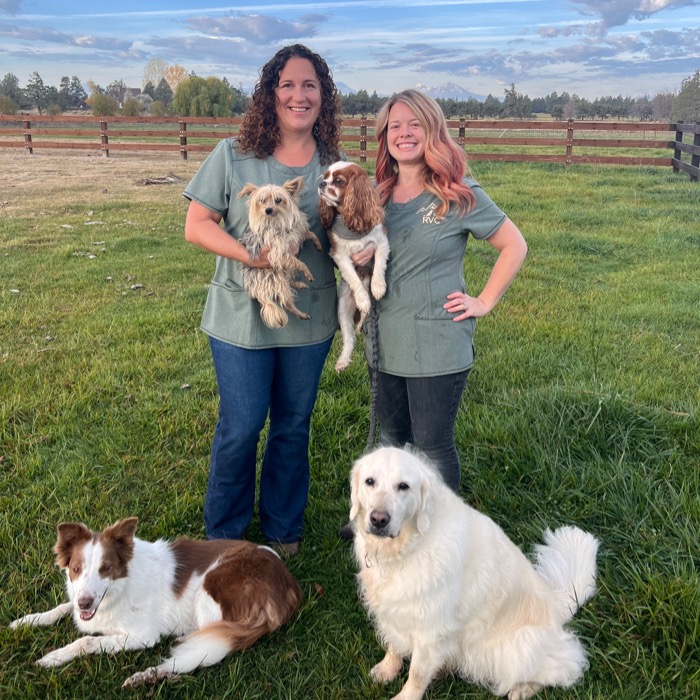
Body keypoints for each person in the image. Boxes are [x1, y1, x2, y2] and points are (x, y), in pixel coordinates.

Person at [182, 45, 343, 557]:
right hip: (240, 316)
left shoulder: (331, 169)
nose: (300, 95)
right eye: (288, 85)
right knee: (242, 425)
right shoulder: (232, 155)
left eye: (310, 85)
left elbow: (351, 230)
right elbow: (196, 225)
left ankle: (282, 533)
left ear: (324, 96)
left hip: (308, 315)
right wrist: (252, 259)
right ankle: (224, 537)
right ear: (270, 94)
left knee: (293, 427)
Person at [365, 88, 528, 494]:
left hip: (437, 344)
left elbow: (514, 245)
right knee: (390, 444)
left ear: (432, 130)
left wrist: (484, 301)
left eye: (414, 124)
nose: (404, 133)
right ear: (385, 137)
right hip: (385, 341)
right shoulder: (374, 195)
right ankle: (391, 530)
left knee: (431, 448)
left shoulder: (455, 192)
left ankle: (443, 537)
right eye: (394, 126)